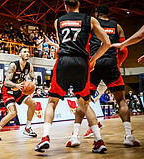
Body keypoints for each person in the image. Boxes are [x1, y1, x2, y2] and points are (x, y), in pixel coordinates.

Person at [35, 0, 111, 153]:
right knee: (84, 103)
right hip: (82, 62)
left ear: (65, 6)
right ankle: (98, 140)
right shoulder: (90, 20)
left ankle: (45, 137)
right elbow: (107, 42)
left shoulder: (58, 21)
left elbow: (62, 43)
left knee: (52, 102)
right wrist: (93, 59)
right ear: (78, 4)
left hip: (63, 61)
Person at [74, 4, 141, 147]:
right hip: (111, 63)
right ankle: (128, 136)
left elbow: (85, 44)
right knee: (121, 100)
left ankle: (75, 136)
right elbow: (124, 50)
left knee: (83, 100)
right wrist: (119, 62)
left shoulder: (92, 24)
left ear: (97, 14)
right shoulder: (117, 27)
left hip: (94, 63)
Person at [0, 46, 37, 141]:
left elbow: (34, 78)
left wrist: (32, 86)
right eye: (24, 52)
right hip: (8, 91)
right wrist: (16, 85)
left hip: (19, 90)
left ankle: (27, 128)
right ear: (20, 54)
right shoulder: (13, 65)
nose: (27, 53)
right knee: (13, 113)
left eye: (28, 52)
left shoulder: (29, 66)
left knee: (33, 104)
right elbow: (6, 82)